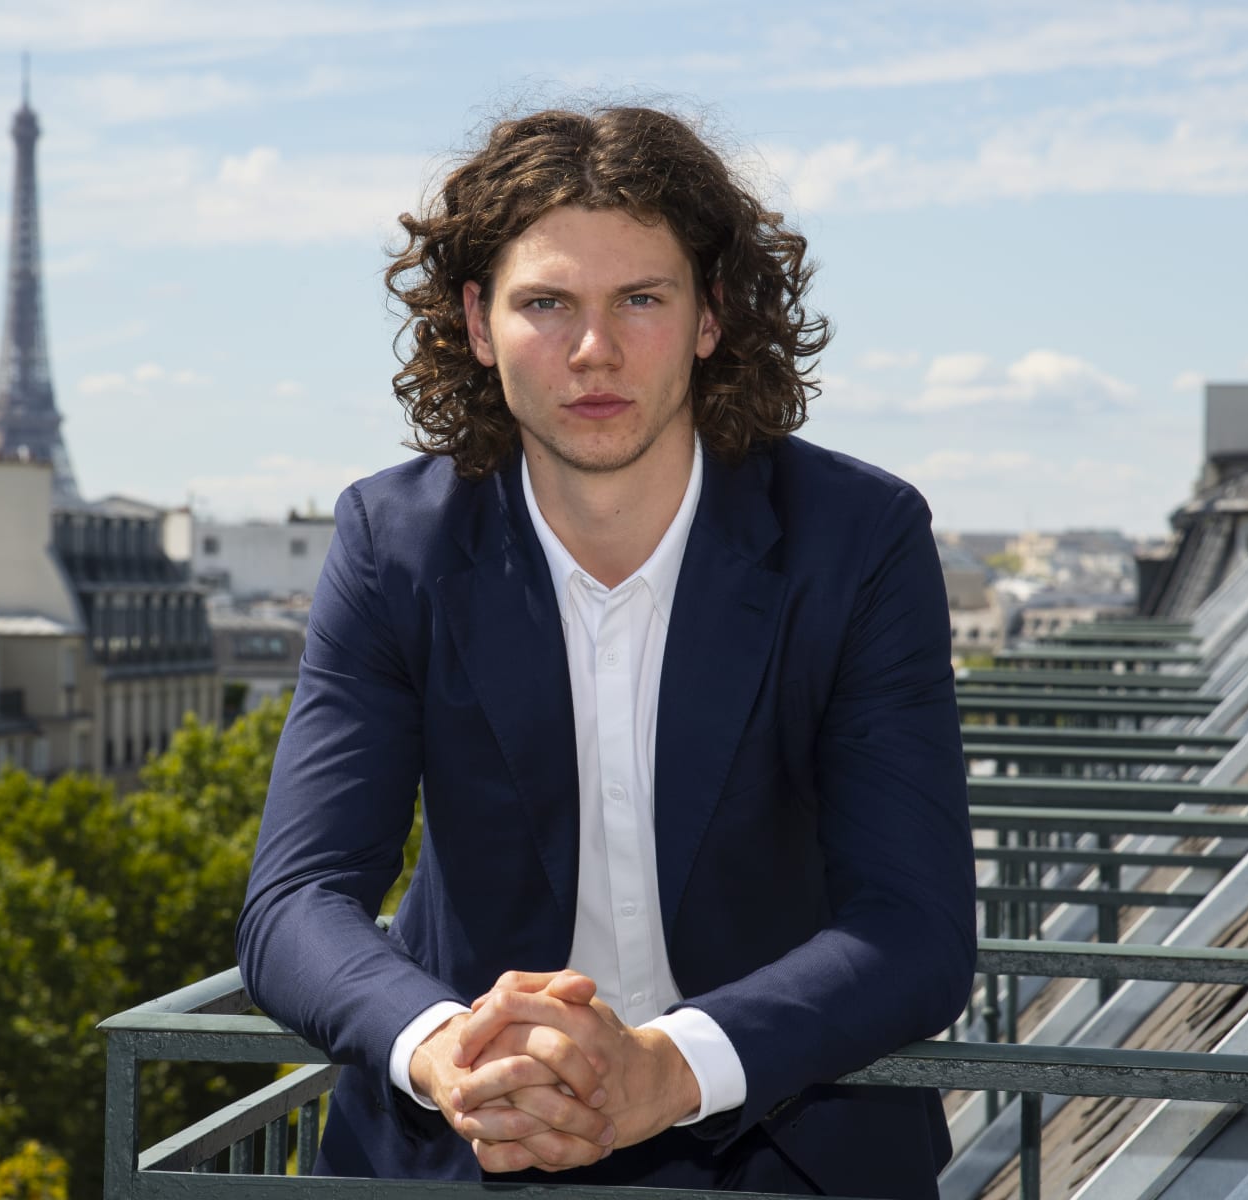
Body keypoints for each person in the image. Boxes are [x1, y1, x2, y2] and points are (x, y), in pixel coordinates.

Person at [236, 105, 974, 1199]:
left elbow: (914, 927)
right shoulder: (394, 547)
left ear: (712, 315)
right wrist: (446, 1050)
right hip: (466, 1142)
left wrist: (670, 1068)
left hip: (779, 1141)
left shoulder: (856, 541)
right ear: (478, 325)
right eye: (547, 304)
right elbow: (294, 896)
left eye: (641, 298)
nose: (594, 349)